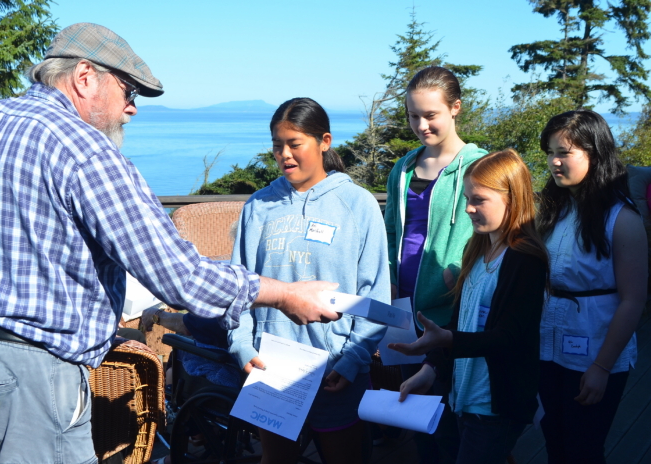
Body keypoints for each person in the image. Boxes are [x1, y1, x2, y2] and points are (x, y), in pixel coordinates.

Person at [0, 24, 339, 464]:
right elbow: (181, 277)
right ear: (84, 77)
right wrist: (285, 294)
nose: (132, 109)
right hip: (35, 380)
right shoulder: (85, 151)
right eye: (128, 90)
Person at [228, 97, 391, 464]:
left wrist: (351, 361)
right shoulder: (258, 207)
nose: (284, 154)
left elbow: (375, 295)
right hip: (270, 365)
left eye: (294, 144)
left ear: (324, 141)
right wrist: (242, 346)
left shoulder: (358, 205)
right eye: (276, 146)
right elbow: (238, 286)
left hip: (335, 371)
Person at [390, 149, 549, 464]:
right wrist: (430, 367)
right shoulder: (477, 251)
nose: (468, 209)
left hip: (494, 405)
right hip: (461, 397)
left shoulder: (524, 259)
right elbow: (458, 321)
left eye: (479, 200)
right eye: (466, 198)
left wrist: (447, 341)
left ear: (512, 199)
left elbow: (509, 338)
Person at [383, 65, 487, 462]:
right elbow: (392, 229)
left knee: (453, 421)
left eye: (431, 115)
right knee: (418, 419)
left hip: (456, 310)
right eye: (413, 115)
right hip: (408, 308)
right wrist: (390, 282)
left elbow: (491, 234)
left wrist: (459, 280)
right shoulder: (404, 168)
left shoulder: (479, 166)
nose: (421, 125)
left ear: (455, 108)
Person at [537, 110, 647, 464]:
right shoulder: (554, 209)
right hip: (549, 346)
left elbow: (633, 300)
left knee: (583, 448)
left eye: (564, 152)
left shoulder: (622, 219)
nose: (554, 161)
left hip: (595, 352)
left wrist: (601, 367)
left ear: (595, 154)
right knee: (554, 438)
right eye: (550, 151)